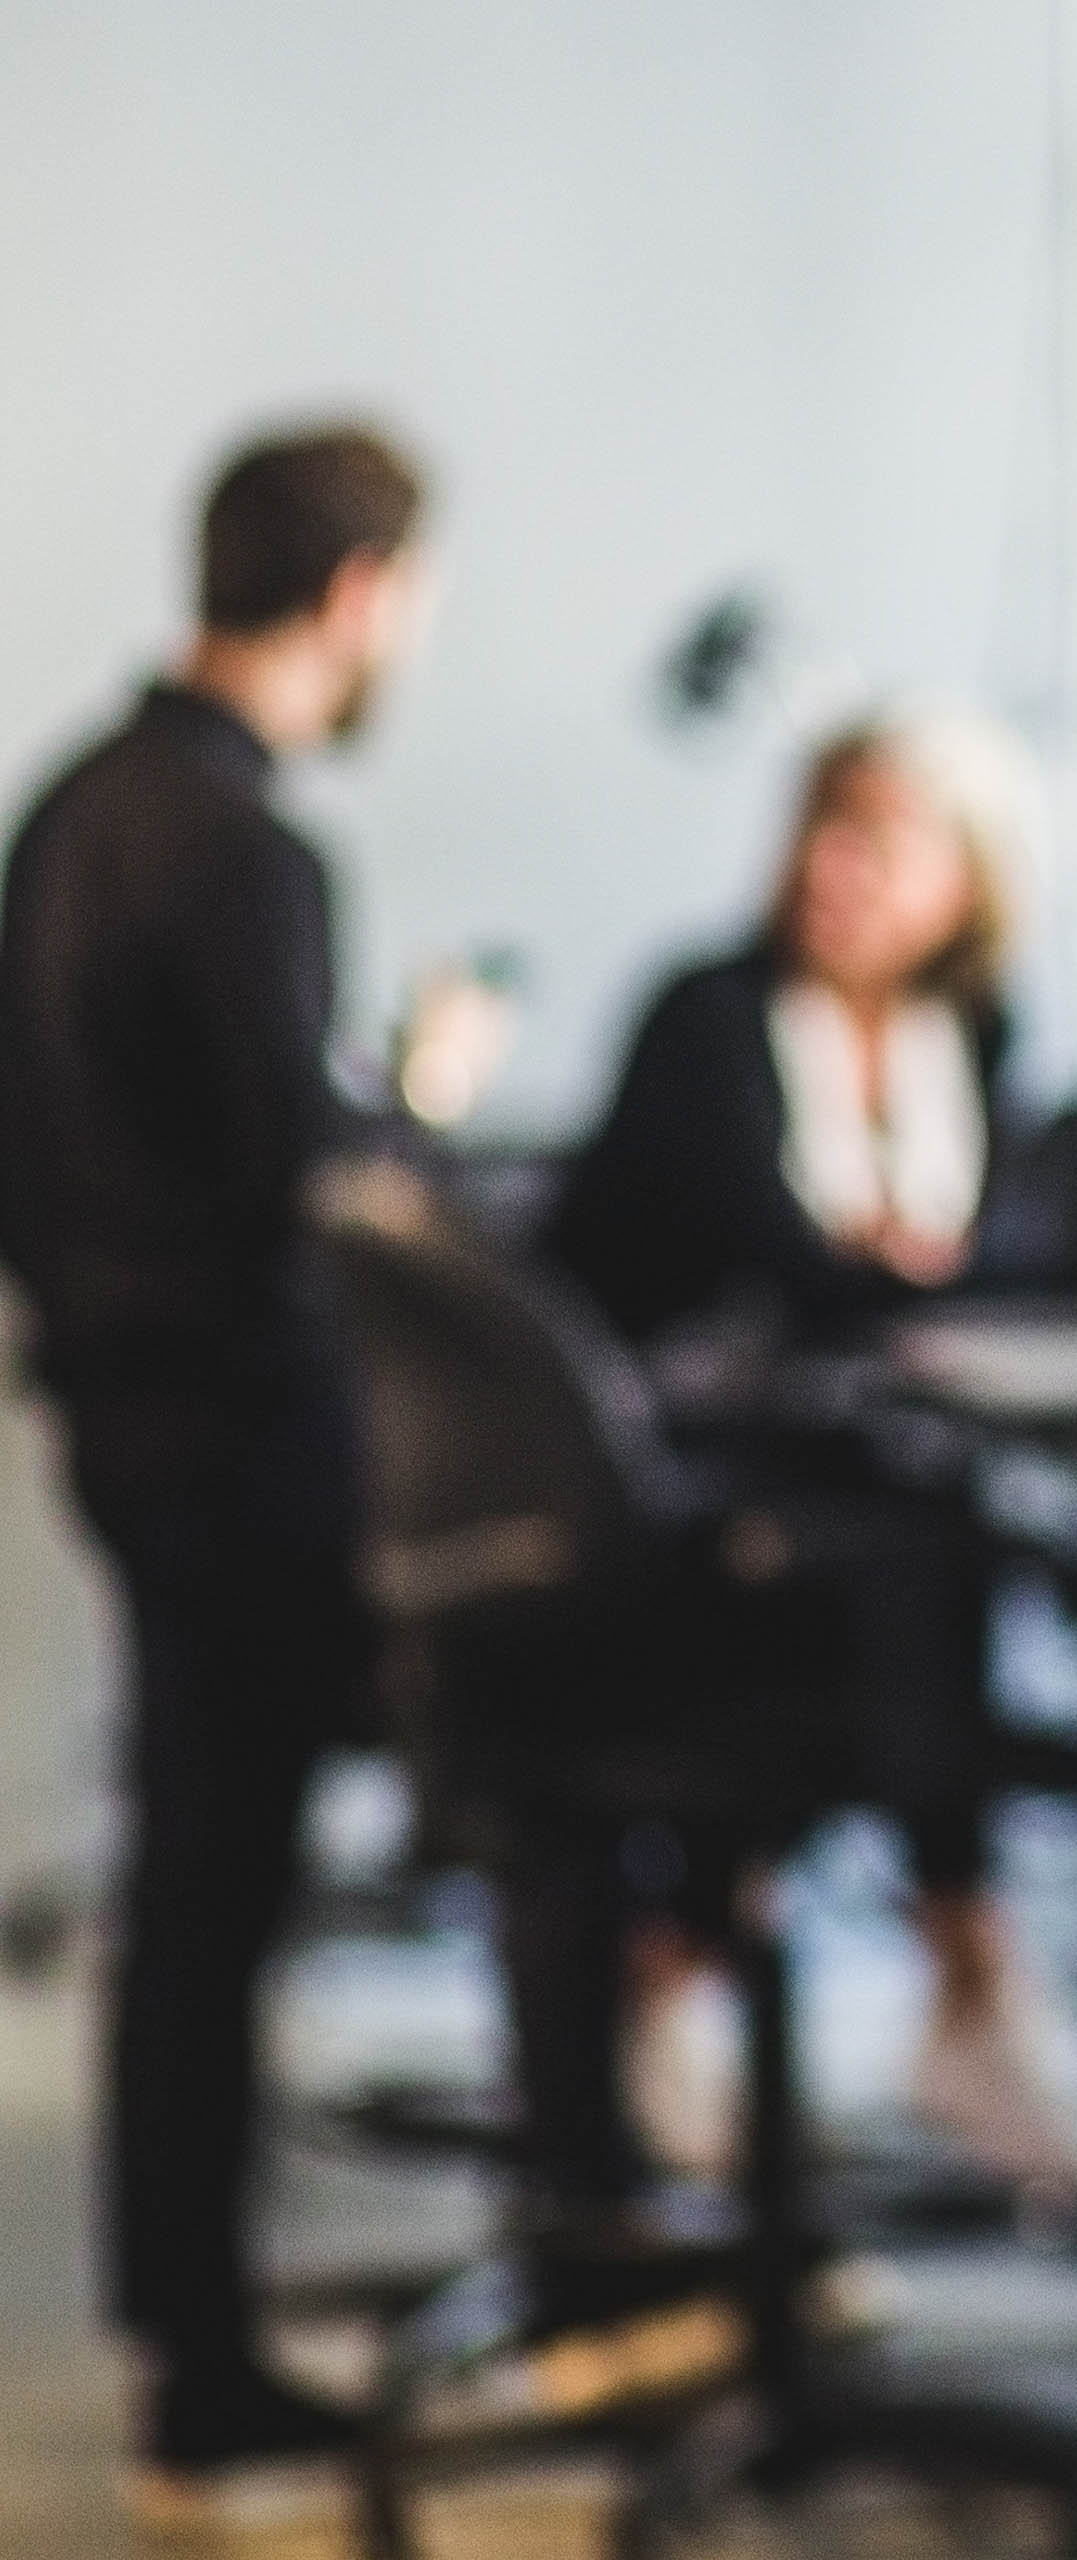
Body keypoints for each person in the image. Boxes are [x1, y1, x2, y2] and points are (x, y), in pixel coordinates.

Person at [540, 713, 1077, 2203]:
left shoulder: (978, 1035)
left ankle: (737, 1971)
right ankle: (935, 1976)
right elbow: (782, 1268)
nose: (837, 866)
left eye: (882, 835)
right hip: (668, 1488)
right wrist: (982, 1263)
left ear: (968, 880)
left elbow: (955, 1260)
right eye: (824, 823)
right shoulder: (707, 1017)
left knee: (921, 1538)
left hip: (852, 1482)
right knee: (905, 1566)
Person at [0, 425, 428, 2478]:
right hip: (245, 1443)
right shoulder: (249, 844)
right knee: (213, 1896)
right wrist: (413, 1094)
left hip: (113, 1413)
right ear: (355, 591)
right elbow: (301, 1177)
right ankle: (208, 2356)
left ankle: (191, 2326)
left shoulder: (73, 805)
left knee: (186, 1893)